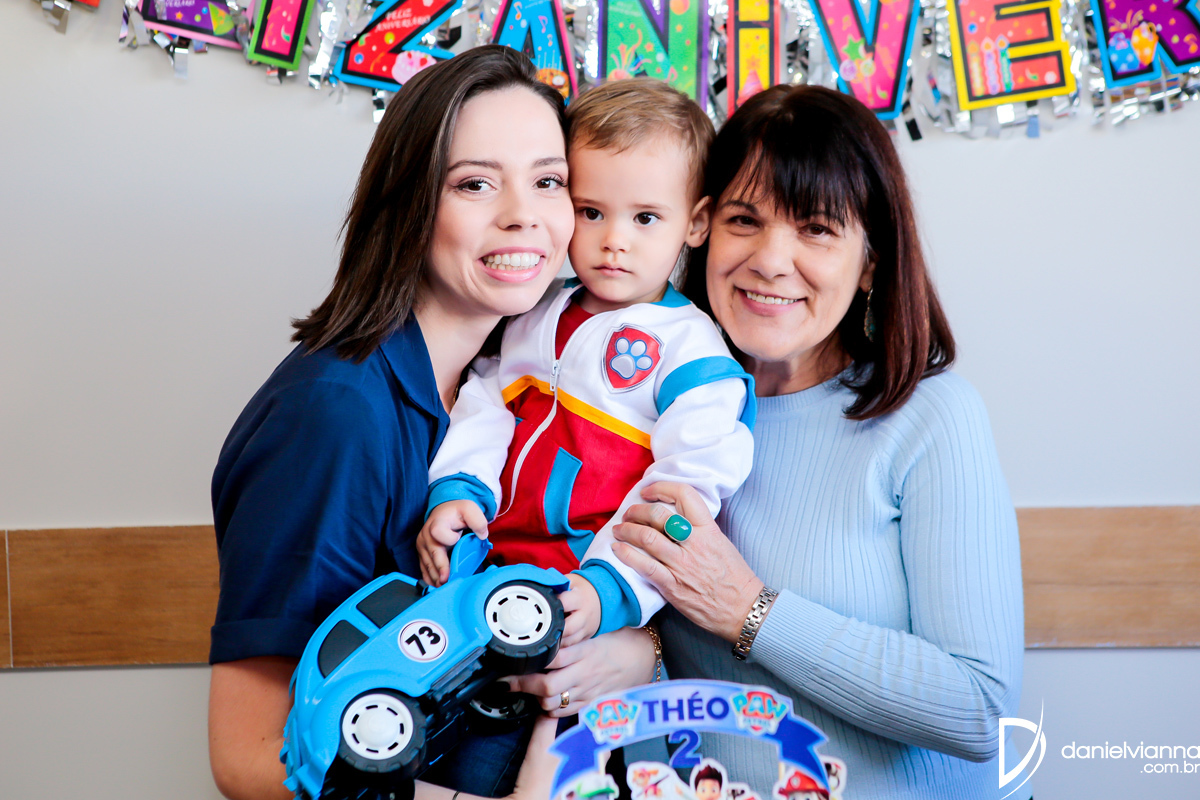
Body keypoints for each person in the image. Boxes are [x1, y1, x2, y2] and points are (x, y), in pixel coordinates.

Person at [206, 47, 656, 800]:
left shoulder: (535, 382)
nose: (522, 214)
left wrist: (635, 652)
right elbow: (249, 757)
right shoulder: (335, 414)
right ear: (411, 204)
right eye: (475, 183)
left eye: (548, 181)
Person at [609, 85, 1028, 799]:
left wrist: (749, 609)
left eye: (817, 229)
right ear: (700, 229)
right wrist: (634, 645)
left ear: (870, 262)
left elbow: (980, 709)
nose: (771, 260)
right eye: (745, 219)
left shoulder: (932, 417)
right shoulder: (652, 410)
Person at [416, 76, 753, 794]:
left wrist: (610, 591)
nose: (612, 242)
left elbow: (685, 492)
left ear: (695, 222)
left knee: (564, 772)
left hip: (586, 607)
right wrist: (458, 489)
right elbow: (486, 398)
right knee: (448, 759)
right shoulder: (535, 309)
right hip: (488, 590)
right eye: (591, 211)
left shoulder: (692, 353)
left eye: (645, 218)